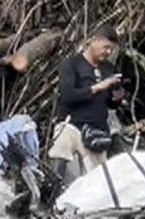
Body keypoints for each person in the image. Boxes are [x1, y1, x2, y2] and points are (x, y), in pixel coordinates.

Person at [47, 28, 126, 181]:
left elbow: (110, 104)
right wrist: (98, 87)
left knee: (97, 183)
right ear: (93, 41)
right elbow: (68, 96)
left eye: (111, 49)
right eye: (105, 47)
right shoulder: (71, 64)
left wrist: (117, 98)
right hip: (73, 125)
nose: (108, 52)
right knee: (62, 142)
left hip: (97, 132)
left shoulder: (109, 69)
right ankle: (51, 191)